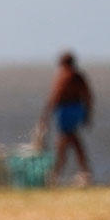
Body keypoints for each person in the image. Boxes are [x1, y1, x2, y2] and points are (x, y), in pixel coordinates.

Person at [40, 51, 94, 186]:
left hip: (66, 110)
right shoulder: (79, 77)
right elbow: (88, 96)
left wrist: (45, 115)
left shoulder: (64, 76)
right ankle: (80, 171)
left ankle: (57, 175)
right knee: (69, 140)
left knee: (66, 140)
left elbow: (55, 96)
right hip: (77, 109)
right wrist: (87, 114)